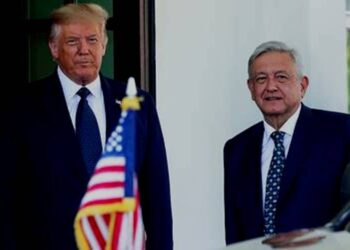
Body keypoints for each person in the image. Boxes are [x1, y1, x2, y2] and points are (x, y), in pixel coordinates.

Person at [0, 3, 172, 250]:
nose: (84, 50)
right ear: (53, 48)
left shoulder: (138, 104)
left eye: (92, 39)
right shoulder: (21, 108)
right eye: (72, 41)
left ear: (104, 45)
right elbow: (7, 199)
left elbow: (157, 196)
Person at [223, 40, 350, 244]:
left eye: (281, 77)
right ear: (251, 88)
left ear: (302, 85)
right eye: (261, 79)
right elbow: (235, 231)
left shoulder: (341, 132)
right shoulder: (236, 149)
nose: (271, 86)